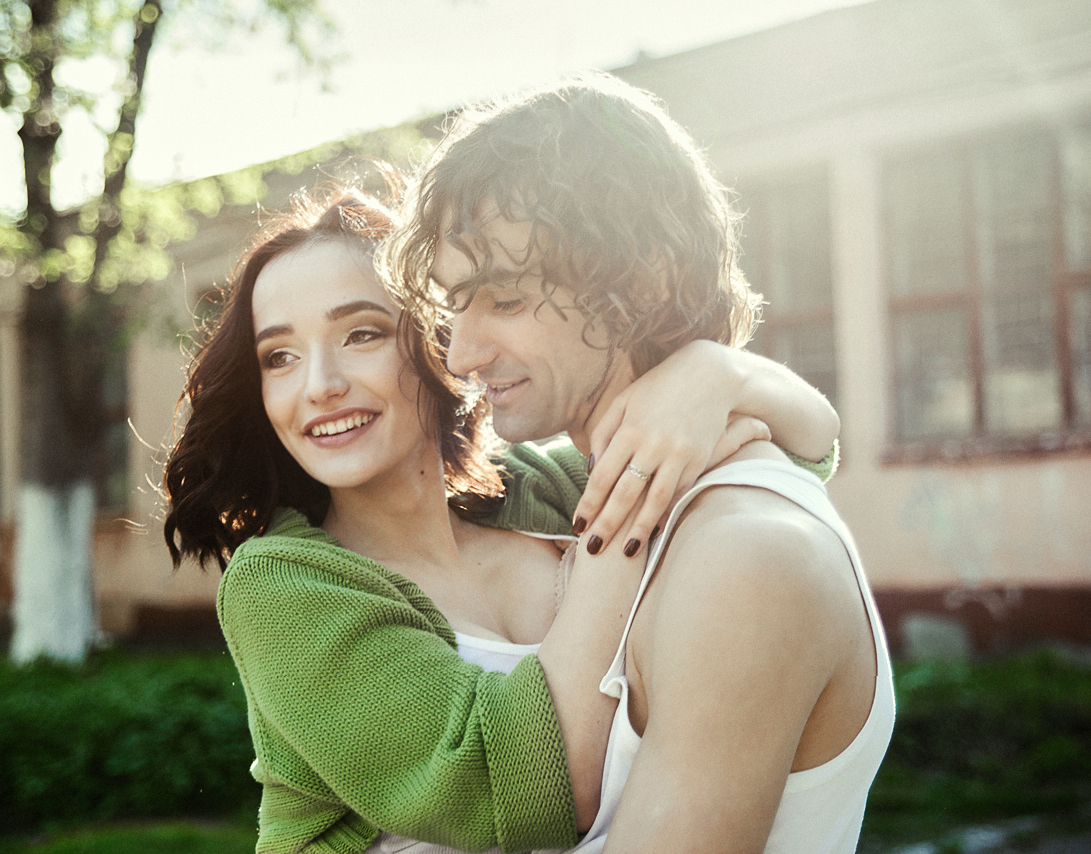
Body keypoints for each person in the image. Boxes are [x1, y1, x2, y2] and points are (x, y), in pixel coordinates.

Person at [161, 178, 840, 852]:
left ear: (440, 338)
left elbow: (796, 453)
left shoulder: (538, 489)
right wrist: (631, 502)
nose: (319, 385)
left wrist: (718, 375)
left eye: (360, 334)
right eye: (279, 357)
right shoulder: (283, 584)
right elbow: (517, 788)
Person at [387, 71, 894, 853]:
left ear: (643, 279)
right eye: (456, 307)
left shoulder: (743, 555)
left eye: (507, 300)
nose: (461, 354)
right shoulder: (624, 503)